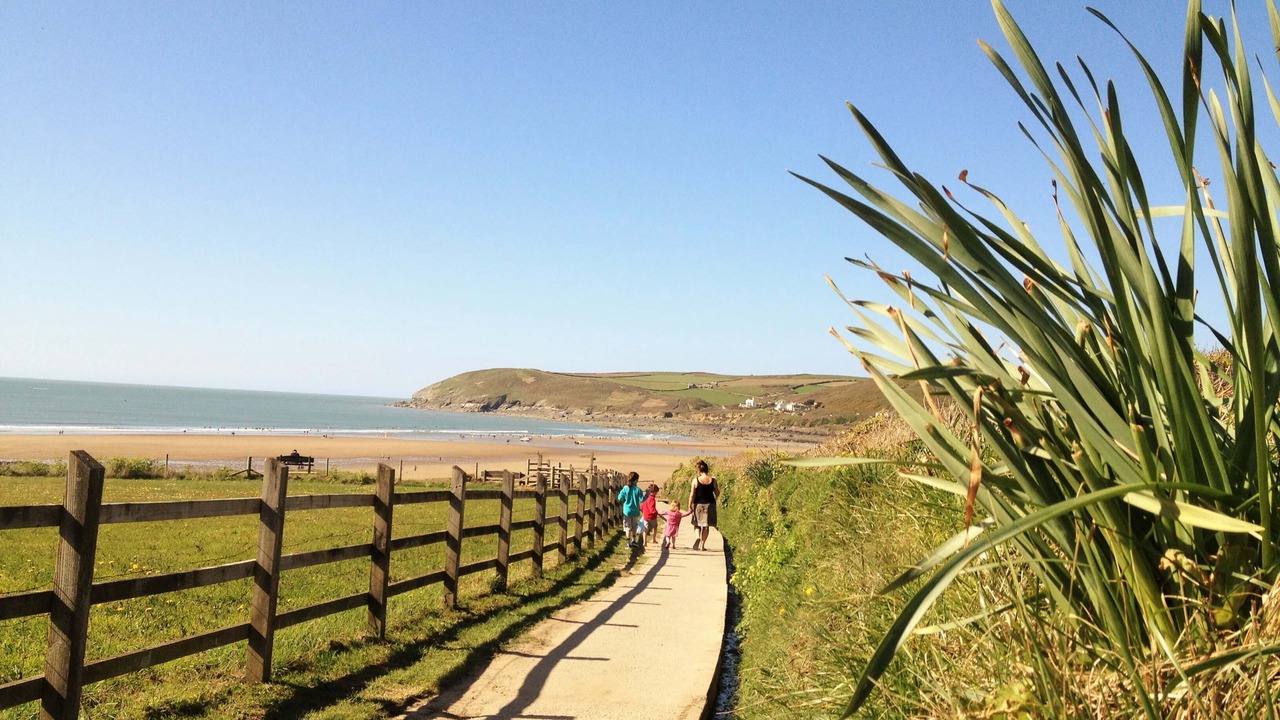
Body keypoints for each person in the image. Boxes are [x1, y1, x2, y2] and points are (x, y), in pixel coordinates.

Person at [687, 460, 720, 551]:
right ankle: (702, 545)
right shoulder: (713, 480)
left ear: (699, 470)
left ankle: (698, 537)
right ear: (707, 470)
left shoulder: (695, 480)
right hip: (710, 504)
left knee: (697, 524)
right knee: (706, 526)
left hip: (698, 504)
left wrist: (689, 505)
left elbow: (692, 494)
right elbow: (717, 493)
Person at [616, 471, 648, 549]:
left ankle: (628, 543)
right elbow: (641, 500)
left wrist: (625, 499)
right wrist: (647, 494)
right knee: (634, 526)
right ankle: (634, 541)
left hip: (627, 510)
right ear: (636, 480)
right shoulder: (638, 490)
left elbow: (620, 497)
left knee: (627, 527)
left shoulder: (625, 488)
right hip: (635, 511)